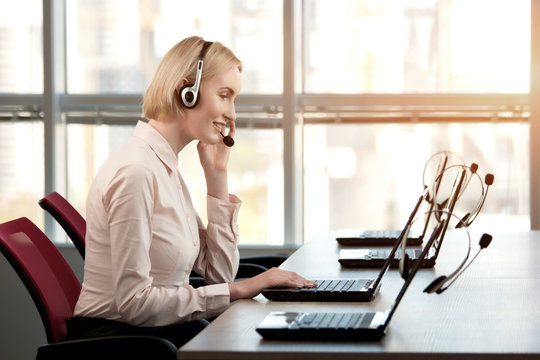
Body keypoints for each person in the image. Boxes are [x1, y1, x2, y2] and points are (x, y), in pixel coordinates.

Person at [66, 36, 315, 348]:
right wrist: (241, 289)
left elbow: (218, 273)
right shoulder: (137, 172)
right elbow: (134, 304)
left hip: (157, 331)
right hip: (120, 342)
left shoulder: (165, 167)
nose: (232, 114)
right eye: (225, 95)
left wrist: (217, 177)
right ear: (187, 91)